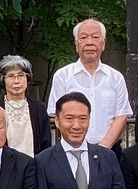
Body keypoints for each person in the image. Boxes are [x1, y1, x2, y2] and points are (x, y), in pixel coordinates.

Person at [46, 18, 132, 150]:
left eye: (95, 37)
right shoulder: (62, 76)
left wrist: (103, 148)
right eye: (84, 37)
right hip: (71, 149)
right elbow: (56, 115)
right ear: (76, 44)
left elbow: (121, 116)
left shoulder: (116, 77)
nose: (90, 42)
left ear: (103, 44)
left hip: (110, 150)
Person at [0, 54, 52, 156]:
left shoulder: (39, 108)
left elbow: (46, 143)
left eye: (21, 75)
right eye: (11, 76)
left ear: (27, 78)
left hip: (34, 166)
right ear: (3, 80)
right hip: (5, 167)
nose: (16, 81)